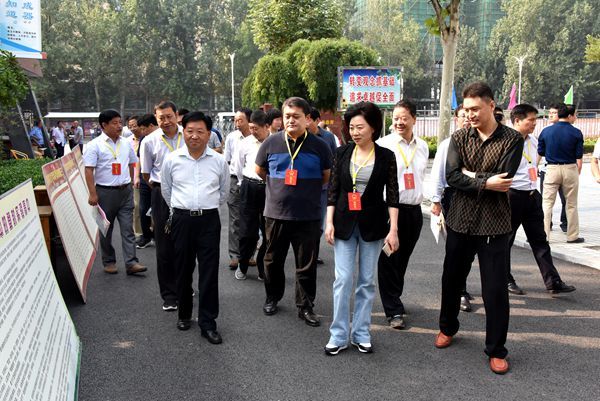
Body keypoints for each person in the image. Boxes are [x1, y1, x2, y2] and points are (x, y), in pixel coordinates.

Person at [435, 82, 523, 375]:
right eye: (466, 109)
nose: (470, 114)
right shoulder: (459, 138)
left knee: (495, 290)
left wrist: (469, 175)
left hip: (494, 226)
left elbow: (506, 177)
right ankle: (447, 327)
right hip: (459, 221)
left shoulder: (511, 139)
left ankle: (496, 349)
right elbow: (451, 177)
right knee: (451, 280)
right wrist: (485, 181)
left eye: (475, 108)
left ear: (491, 104)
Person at [323, 101, 399, 355]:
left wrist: (394, 229)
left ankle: (361, 332)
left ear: (374, 127)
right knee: (343, 279)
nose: (354, 132)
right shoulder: (342, 153)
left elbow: (393, 195)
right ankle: (338, 334)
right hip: (344, 223)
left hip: (373, 226)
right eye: (351, 127)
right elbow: (333, 190)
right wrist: (329, 221)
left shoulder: (386, 156)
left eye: (360, 127)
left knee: (366, 281)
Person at [255, 97, 332, 326]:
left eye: (296, 116)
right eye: (287, 116)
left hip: (307, 215)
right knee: (272, 260)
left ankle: (305, 306)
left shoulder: (320, 146)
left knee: (306, 265)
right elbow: (260, 171)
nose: (290, 120)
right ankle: (272, 297)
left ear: (308, 119)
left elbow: (326, 176)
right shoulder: (271, 143)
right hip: (276, 214)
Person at [161, 111, 229, 345]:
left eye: (200, 131)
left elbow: (223, 192)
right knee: (182, 268)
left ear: (209, 134)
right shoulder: (172, 159)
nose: (194, 136)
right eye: (190, 131)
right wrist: (182, 209)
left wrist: (204, 207)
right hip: (181, 220)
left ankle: (208, 323)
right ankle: (184, 313)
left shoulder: (219, 161)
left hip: (209, 220)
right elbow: (166, 190)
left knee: (209, 273)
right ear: (184, 131)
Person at [505, 104, 575, 295]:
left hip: (531, 195)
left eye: (536, 120)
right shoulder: (505, 141)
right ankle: (505, 279)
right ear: (517, 120)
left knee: (540, 241)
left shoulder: (533, 141)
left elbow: (533, 165)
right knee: (506, 241)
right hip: (511, 196)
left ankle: (553, 282)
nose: (534, 124)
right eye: (531, 120)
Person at [375, 100, 429, 329]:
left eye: (404, 117)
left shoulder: (423, 146)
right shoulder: (383, 145)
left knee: (403, 258)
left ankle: (394, 297)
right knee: (389, 258)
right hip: (390, 210)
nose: (399, 122)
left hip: (414, 211)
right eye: (396, 118)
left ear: (414, 119)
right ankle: (392, 309)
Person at [83, 109, 147, 276]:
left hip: (125, 191)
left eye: (120, 122)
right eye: (115, 123)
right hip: (105, 193)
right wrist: (92, 194)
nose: (120, 126)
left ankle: (131, 262)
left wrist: (132, 182)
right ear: (104, 125)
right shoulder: (94, 145)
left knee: (128, 228)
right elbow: (89, 170)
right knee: (106, 229)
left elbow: (133, 163)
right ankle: (109, 261)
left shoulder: (126, 143)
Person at [430, 105, 474, 312]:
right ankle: (459, 291)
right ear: (457, 119)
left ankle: (461, 285)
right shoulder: (448, 145)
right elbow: (438, 173)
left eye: (470, 115)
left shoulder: (479, 143)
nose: (467, 119)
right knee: (456, 247)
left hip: (476, 198)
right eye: (463, 116)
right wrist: (436, 200)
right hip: (453, 197)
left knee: (471, 249)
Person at [140, 101, 183, 311]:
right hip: (161, 194)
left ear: (177, 115)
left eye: (169, 116)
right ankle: (169, 295)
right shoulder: (149, 141)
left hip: (187, 194)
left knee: (186, 244)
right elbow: (146, 173)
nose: (166, 121)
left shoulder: (190, 135)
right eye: (161, 118)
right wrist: (162, 188)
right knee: (164, 246)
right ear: (156, 119)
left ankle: (184, 286)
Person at [538, 103, 584, 243]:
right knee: (571, 204)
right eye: (575, 115)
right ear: (569, 116)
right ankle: (572, 235)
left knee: (547, 203)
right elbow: (578, 154)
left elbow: (541, 152)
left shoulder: (546, 131)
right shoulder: (576, 132)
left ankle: (543, 236)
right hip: (570, 168)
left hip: (551, 169)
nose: (575, 117)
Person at [233, 110, 270, 281]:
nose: (253, 131)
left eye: (256, 128)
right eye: (251, 128)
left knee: (269, 231)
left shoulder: (275, 142)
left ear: (267, 127)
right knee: (247, 231)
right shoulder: (245, 143)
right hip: (249, 187)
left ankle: (263, 268)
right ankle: (243, 265)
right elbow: (239, 167)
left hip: (269, 189)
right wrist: (243, 183)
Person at [224, 108, 252, 269]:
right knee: (235, 219)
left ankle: (249, 254)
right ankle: (235, 255)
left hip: (252, 182)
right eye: (235, 120)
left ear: (249, 121)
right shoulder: (232, 138)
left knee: (251, 219)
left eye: (240, 120)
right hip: (234, 180)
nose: (236, 123)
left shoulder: (258, 137)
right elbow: (227, 160)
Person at [307, 107, 336, 265]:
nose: (306, 122)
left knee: (318, 222)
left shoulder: (328, 137)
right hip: (303, 187)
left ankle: (313, 253)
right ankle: (305, 252)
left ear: (317, 121)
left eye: (309, 119)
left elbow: (334, 160)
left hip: (323, 187)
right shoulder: (299, 136)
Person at [539, 104, 568, 232]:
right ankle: (547, 225)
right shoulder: (545, 131)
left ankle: (565, 223)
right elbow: (540, 152)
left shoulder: (570, 131)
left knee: (564, 200)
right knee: (546, 201)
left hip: (554, 170)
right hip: (547, 169)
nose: (550, 115)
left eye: (553, 113)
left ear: (560, 114)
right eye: (549, 113)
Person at [134, 114, 156, 249]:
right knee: (143, 209)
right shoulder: (144, 140)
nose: (141, 132)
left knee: (160, 211)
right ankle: (147, 236)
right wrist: (137, 176)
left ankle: (160, 236)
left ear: (151, 126)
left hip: (158, 181)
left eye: (143, 129)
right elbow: (139, 160)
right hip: (144, 179)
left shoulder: (162, 139)